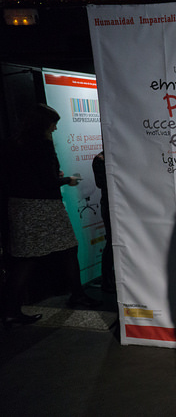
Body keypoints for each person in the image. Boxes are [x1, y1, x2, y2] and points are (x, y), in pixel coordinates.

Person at [2, 104, 101, 329]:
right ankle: (76, 295)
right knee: (67, 249)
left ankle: (10, 310)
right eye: (53, 124)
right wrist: (66, 180)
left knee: (26, 257)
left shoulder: (10, 144)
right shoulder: (42, 146)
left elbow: (21, 177)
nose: (55, 128)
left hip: (19, 207)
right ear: (43, 124)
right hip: (44, 207)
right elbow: (46, 182)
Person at [92, 151, 116, 293]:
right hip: (110, 204)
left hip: (121, 204)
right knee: (112, 242)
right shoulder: (100, 160)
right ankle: (107, 281)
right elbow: (100, 183)